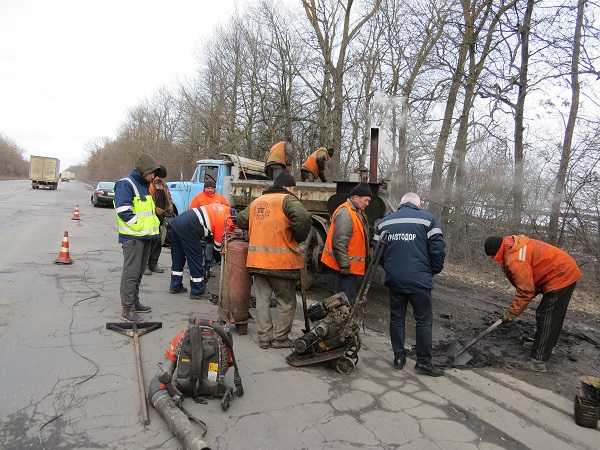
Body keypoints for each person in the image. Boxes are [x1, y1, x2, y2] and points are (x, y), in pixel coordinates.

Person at [484, 234, 581, 372]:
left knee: (547, 316)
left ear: (496, 253)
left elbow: (526, 291)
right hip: (561, 270)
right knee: (553, 315)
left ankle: (538, 360)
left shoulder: (515, 259)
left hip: (561, 274)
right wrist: (516, 308)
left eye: (492, 257)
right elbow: (530, 285)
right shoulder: (512, 244)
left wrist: (511, 313)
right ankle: (546, 346)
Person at [236, 172, 311, 349]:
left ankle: (264, 338)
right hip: (281, 263)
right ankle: (280, 338)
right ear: (288, 187)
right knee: (286, 302)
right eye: (293, 189)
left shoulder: (257, 201)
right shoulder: (287, 199)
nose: (294, 192)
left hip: (257, 261)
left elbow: (240, 220)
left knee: (262, 300)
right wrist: (298, 236)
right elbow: (303, 218)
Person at [374, 192, 445, 377]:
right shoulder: (429, 220)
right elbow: (437, 250)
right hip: (420, 281)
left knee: (397, 318)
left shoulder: (384, 222)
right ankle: (423, 363)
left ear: (401, 204)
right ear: (418, 204)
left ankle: (399, 358)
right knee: (423, 320)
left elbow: (377, 253)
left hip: (395, 279)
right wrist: (432, 271)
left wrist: (390, 268)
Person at [114, 154, 161, 322]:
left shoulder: (144, 186)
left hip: (144, 237)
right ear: (143, 171)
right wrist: (142, 228)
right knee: (131, 273)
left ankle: (134, 302)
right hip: (133, 238)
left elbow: (148, 213)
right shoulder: (126, 184)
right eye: (152, 173)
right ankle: (127, 309)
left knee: (139, 272)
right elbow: (123, 211)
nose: (154, 177)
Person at [168, 202, 234, 299]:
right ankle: (197, 291)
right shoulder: (225, 220)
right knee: (196, 258)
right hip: (189, 227)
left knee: (178, 257)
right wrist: (216, 259)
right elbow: (218, 246)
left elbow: (208, 223)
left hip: (176, 223)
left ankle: (175, 286)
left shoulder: (223, 208)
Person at [321, 183, 371, 305]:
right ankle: (339, 323)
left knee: (345, 301)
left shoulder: (356, 212)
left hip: (349, 268)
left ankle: (341, 321)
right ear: (356, 197)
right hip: (344, 270)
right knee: (343, 302)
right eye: (366, 200)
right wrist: (344, 266)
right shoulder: (346, 213)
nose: (367, 204)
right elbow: (340, 242)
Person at [146, 165, 174, 275]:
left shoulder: (164, 185)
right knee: (150, 242)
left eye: (162, 178)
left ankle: (154, 264)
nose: (160, 180)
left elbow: (168, 197)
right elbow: (147, 202)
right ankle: (145, 265)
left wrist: (170, 208)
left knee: (159, 241)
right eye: (159, 177)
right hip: (150, 217)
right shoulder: (149, 185)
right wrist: (157, 210)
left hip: (161, 218)